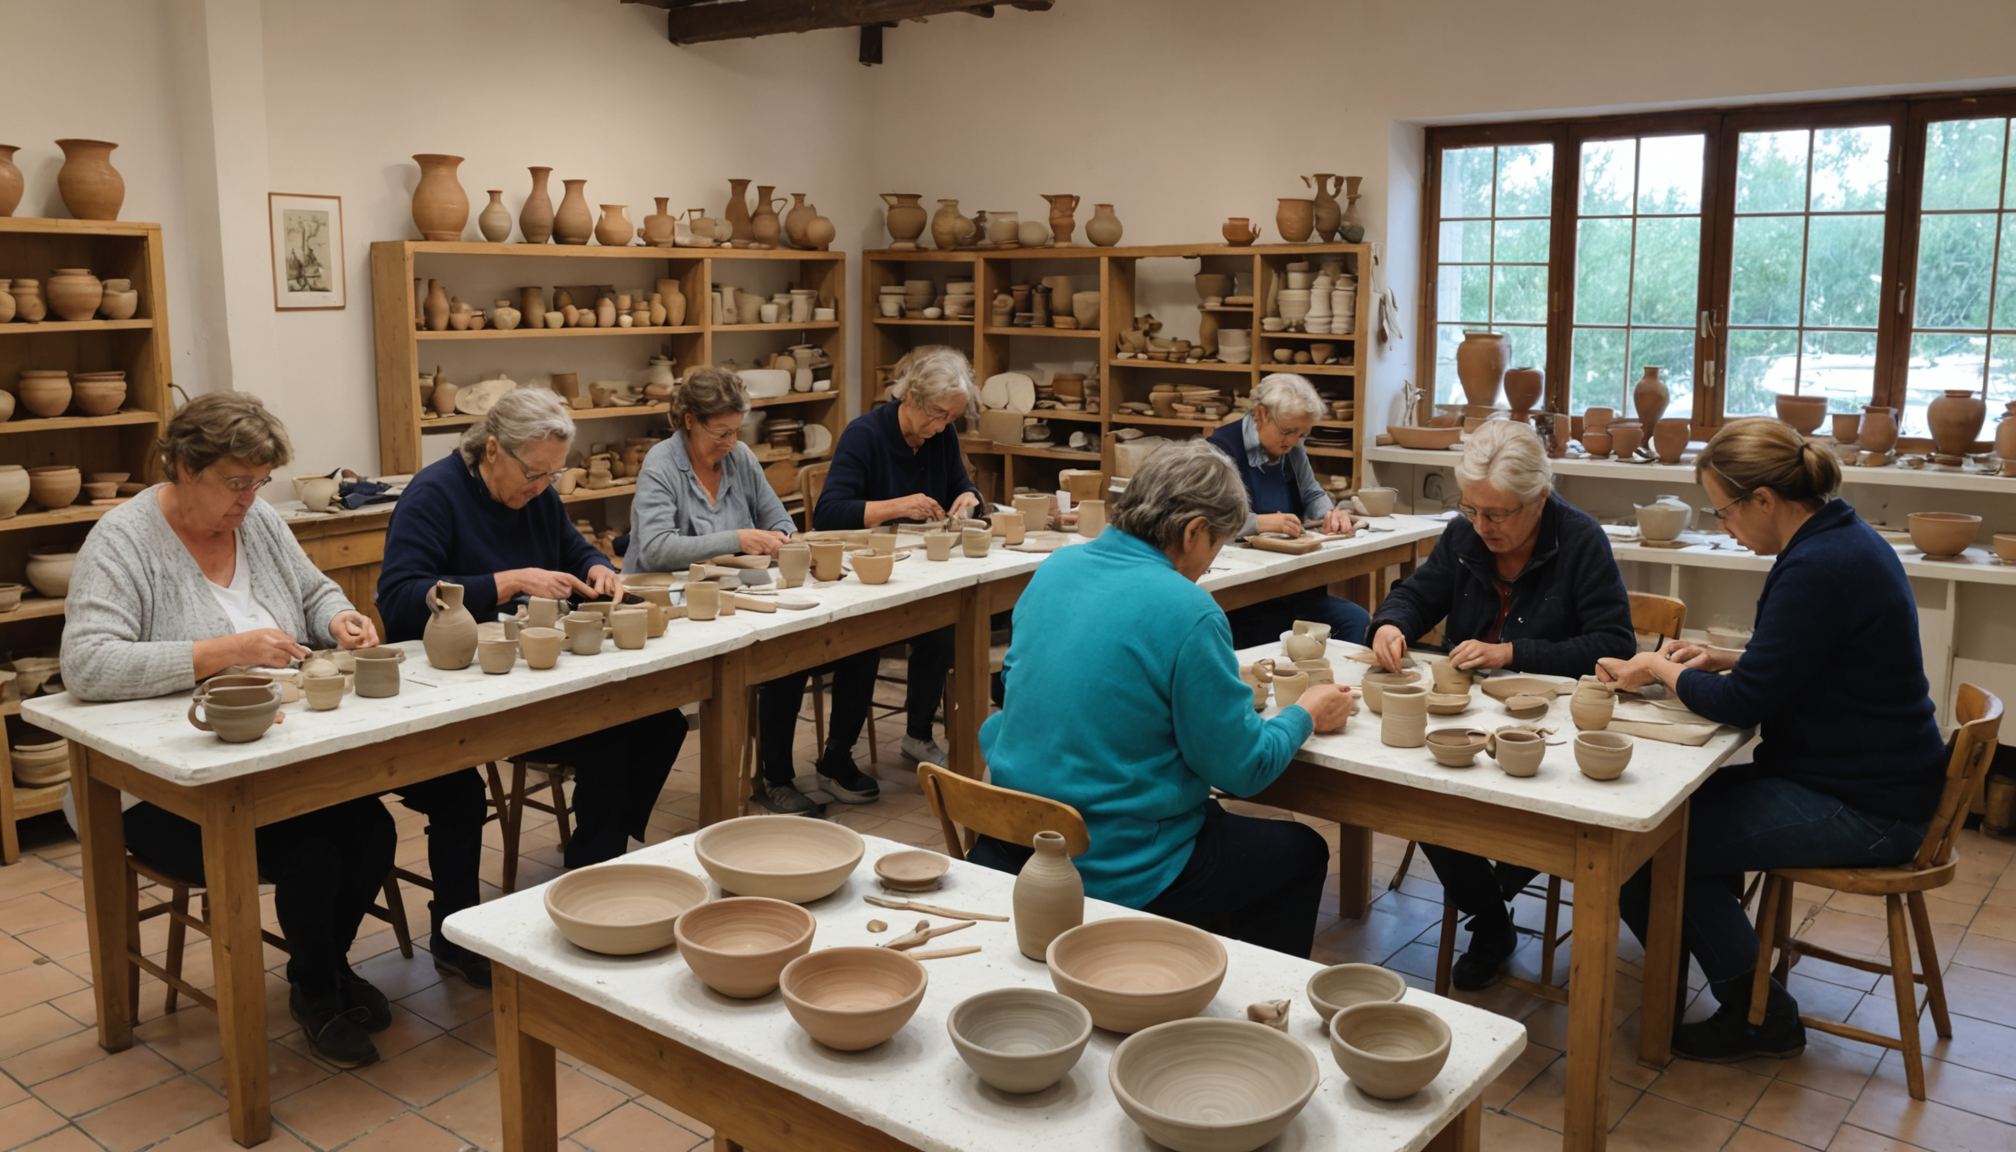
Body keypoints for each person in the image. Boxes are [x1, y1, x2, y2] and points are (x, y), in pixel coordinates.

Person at [59, 392, 397, 1068]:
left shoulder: (259, 521)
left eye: (259, 481)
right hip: (157, 781)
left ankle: (321, 969)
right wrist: (225, 651)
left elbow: (313, 589)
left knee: (371, 830)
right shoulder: (123, 540)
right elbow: (88, 663)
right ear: (184, 466)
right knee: (311, 851)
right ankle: (320, 990)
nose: (249, 498)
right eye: (236, 483)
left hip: (270, 752)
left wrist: (338, 619)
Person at [1597, 418, 1945, 1062]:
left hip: (1867, 803)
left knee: (1653, 846)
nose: (1724, 525)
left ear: (1764, 500)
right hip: (1869, 775)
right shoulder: (1841, 539)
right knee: (1669, 823)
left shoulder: (1818, 565)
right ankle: (1723, 969)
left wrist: (1659, 668)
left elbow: (1745, 704)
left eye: (1724, 511)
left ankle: (1759, 1015)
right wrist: (1729, 656)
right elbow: (1808, 660)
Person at [972, 440, 1355, 956]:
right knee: (1300, 851)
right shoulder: (1189, 609)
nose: (1209, 566)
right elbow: (1242, 771)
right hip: (1109, 862)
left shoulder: (1054, 570)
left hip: (1013, 832)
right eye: (1215, 547)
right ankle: (1256, 1008)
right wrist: (1304, 712)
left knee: (1205, 815)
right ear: (1193, 532)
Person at [377, 387, 688, 980]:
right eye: (535, 474)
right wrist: (505, 581)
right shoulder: (434, 495)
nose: (543, 487)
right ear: (492, 449)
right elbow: (398, 603)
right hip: (453, 692)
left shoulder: (535, 493)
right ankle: (456, 931)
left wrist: (598, 566)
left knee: (654, 725)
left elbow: (570, 549)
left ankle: (590, 876)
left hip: (529, 688)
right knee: (460, 795)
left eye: (554, 474)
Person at [1365, 419, 1635, 990]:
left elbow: (1614, 646)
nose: (1482, 527)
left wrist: (1513, 651)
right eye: (1472, 511)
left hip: (1547, 727)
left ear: (1538, 500)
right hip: (1466, 718)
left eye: (1497, 515)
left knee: (1525, 813)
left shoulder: (1580, 539)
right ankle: (1492, 917)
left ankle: (1489, 909)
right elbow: (1417, 594)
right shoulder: (1465, 535)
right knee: (1416, 793)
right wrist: (1391, 624)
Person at [626, 367, 882, 815]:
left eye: (735, 431)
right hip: (678, 605)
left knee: (860, 640)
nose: (729, 443)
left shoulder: (740, 458)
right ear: (688, 420)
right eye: (719, 433)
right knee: (782, 656)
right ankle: (773, 779)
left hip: (740, 594)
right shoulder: (662, 465)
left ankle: (837, 757)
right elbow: (654, 549)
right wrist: (738, 539)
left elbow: (778, 517)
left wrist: (779, 536)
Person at [814, 345, 986, 767]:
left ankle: (918, 734)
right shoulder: (865, 434)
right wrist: (897, 506)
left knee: (946, 624)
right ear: (910, 397)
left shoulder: (941, 435)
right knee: (866, 638)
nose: (943, 425)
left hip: (919, 573)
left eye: (952, 418)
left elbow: (964, 485)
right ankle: (837, 757)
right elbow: (828, 514)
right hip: (864, 577)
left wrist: (970, 498)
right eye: (938, 415)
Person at [1205, 373, 1369, 647]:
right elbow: (1212, 520)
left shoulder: (1290, 447)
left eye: (1301, 434)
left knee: (1355, 619)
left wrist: (1330, 513)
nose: (1293, 441)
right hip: (1244, 595)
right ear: (1259, 415)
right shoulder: (1220, 450)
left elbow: (1311, 492)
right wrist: (1259, 523)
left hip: (1291, 583)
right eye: (1287, 431)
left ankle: (1337, 688)